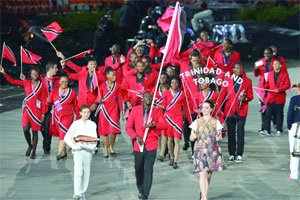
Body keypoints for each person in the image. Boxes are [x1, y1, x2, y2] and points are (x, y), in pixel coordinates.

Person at [0, 65, 47, 159]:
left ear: (38, 75)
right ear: (30, 75)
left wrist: (43, 113)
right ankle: (30, 145)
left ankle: (34, 151)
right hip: (27, 110)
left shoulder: (42, 86)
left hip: (37, 111)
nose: (35, 75)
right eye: (33, 74)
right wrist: (4, 73)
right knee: (25, 129)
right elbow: (12, 81)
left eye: (36, 74)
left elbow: (44, 101)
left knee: (35, 132)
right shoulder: (26, 82)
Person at [125, 92, 165, 200]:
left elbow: (164, 124)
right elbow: (128, 127)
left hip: (151, 145)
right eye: (146, 97)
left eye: (150, 97)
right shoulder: (135, 110)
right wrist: (136, 137)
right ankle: (140, 188)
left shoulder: (156, 111)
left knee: (148, 170)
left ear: (152, 99)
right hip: (138, 145)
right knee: (138, 169)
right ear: (143, 99)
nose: (148, 99)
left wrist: (154, 124)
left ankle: (145, 194)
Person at [190, 99, 226, 200]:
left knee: (208, 175)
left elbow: (220, 138)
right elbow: (191, 138)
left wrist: (218, 136)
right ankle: (204, 198)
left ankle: (203, 192)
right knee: (203, 173)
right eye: (203, 108)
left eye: (207, 108)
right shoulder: (196, 122)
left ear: (211, 109)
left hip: (212, 150)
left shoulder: (216, 122)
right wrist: (194, 135)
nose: (204, 110)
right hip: (200, 150)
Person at [218, 62, 253, 162]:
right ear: (233, 70)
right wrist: (219, 109)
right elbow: (222, 95)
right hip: (229, 110)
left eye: (240, 68)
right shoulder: (227, 80)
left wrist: (245, 98)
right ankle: (232, 154)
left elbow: (250, 96)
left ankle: (239, 154)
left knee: (240, 132)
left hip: (242, 110)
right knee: (231, 132)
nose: (238, 70)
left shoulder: (247, 81)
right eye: (236, 68)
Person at [64, 104, 98, 200]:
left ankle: (83, 192)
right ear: (80, 113)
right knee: (78, 172)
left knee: (86, 172)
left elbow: (94, 139)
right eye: (84, 112)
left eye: (88, 112)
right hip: (78, 151)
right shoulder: (75, 124)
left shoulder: (92, 124)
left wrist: (91, 147)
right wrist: (74, 145)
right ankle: (77, 193)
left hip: (88, 151)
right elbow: (67, 137)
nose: (86, 114)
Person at [160, 76, 191, 169]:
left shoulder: (182, 94)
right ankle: (172, 156)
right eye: (172, 82)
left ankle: (176, 161)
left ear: (179, 84)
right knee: (170, 139)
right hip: (168, 118)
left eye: (176, 83)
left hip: (178, 119)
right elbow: (164, 105)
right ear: (170, 84)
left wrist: (189, 119)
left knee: (177, 140)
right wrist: (161, 107)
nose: (174, 84)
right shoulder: (166, 93)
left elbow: (185, 107)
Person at [47, 75, 80, 160]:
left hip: (67, 117)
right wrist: (48, 101)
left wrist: (78, 116)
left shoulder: (72, 92)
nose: (64, 83)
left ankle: (59, 153)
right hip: (57, 117)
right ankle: (64, 152)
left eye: (66, 82)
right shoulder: (54, 91)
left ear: (68, 82)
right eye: (62, 82)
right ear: (59, 82)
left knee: (63, 135)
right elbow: (50, 103)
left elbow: (76, 106)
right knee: (61, 135)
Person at [97, 67, 124, 158]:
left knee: (113, 130)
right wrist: (99, 99)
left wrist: (121, 111)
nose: (114, 76)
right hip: (104, 110)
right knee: (104, 132)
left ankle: (111, 146)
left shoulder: (117, 85)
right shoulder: (101, 85)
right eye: (113, 75)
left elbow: (120, 98)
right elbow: (98, 99)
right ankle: (106, 150)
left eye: (115, 74)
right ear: (107, 75)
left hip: (114, 110)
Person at [263, 59, 291, 136]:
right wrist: (264, 86)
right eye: (274, 64)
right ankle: (267, 130)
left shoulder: (284, 74)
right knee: (268, 115)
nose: (275, 66)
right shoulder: (270, 74)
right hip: (271, 98)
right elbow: (268, 84)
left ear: (280, 65)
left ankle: (279, 129)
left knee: (279, 114)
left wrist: (278, 90)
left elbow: (288, 85)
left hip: (279, 98)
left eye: (276, 64)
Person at [253, 47, 278, 134]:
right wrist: (255, 68)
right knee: (263, 108)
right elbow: (256, 74)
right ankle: (264, 128)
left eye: (268, 53)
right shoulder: (260, 61)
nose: (266, 55)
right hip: (262, 88)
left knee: (271, 108)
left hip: (271, 88)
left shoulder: (276, 62)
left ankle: (274, 122)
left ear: (272, 54)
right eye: (265, 53)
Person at [39, 61, 60, 155]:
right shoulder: (40, 79)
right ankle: (46, 141)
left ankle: (47, 146)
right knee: (41, 127)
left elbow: (60, 94)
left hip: (52, 108)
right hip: (41, 107)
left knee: (48, 128)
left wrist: (60, 108)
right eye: (55, 68)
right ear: (50, 69)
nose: (57, 70)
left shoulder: (58, 80)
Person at [287, 83, 300, 179]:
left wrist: (289, 126)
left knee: (294, 151)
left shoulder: (294, 99)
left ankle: (294, 174)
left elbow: (290, 113)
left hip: (296, 127)